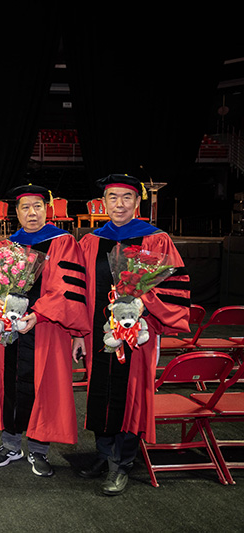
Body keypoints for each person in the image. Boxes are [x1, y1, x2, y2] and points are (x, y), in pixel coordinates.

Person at [76, 174, 190, 496]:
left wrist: (142, 303)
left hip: (138, 335)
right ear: (103, 202)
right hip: (99, 335)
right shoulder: (91, 241)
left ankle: (122, 463)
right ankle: (103, 454)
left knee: (132, 395)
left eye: (127, 197)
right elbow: (80, 291)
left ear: (138, 202)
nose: (119, 204)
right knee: (99, 390)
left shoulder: (156, 240)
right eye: (112, 197)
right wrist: (78, 334)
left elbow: (173, 286)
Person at [0, 184, 91, 477]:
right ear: (16, 213)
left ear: (47, 209)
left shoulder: (63, 242)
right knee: (9, 383)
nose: (32, 213)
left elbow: (68, 289)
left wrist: (38, 313)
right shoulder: (9, 244)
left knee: (43, 387)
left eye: (38, 206)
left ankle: (39, 450)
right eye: (25, 207)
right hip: (11, 329)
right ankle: (10, 445)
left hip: (46, 328)